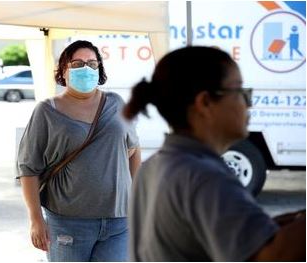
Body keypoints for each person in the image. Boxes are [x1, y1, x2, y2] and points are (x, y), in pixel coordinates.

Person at [124, 46, 306, 261]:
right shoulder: (204, 176)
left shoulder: (152, 166)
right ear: (205, 102)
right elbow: (273, 256)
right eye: (240, 92)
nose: (248, 103)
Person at [17, 40, 141, 262]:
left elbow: (132, 150)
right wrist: (35, 219)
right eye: (77, 64)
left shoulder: (116, 103)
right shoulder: (46, 111)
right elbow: (28, 168)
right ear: (63, 70)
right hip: (68, 222)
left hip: (119, 221)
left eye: (92, 64)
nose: (86, 69)